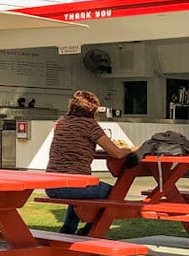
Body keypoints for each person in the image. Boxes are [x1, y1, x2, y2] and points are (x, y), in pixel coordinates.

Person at [45, 89, 131, 235]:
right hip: (74, 186)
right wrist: (134, 149)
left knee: (78, 190)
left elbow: (74, 147)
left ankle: (68, 229)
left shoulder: (62, 123)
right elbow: (116, 152)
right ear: (93, 109)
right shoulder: (90, 125)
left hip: (51, 186)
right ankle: (90, 230)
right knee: (113, 192)